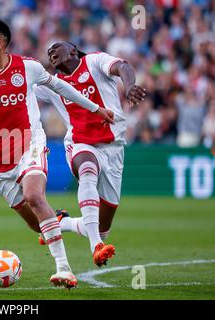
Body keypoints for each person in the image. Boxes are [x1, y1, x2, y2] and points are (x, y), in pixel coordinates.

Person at [0, 18, 114, 287]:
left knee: (34, 195)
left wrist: (95, 108)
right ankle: (68, 223)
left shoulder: (27, 67)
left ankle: (64, 268)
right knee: (36, 225)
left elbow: (60, 86)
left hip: (30, 144)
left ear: (0, 43)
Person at [34, 41, 146, 266]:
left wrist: (130, 85)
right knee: (87, 169)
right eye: (48, 52)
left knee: (100, 228)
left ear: (73, 51)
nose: (50, 52)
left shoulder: (93, 61)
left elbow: (123, 67)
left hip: (113, 148)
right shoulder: (52, 83)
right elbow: (17, 88)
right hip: (79, 143)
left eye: (56, 47)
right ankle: (96, 247)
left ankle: (63, 223)